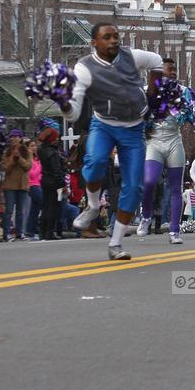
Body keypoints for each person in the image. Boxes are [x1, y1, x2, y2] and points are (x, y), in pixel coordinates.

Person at [58, 23, 163, 260]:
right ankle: (93, 206)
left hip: (134, 128)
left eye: (116, 36)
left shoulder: (131, 56)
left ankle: (116, 244)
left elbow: (157, 60)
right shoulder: (84, 68)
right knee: (94, 162)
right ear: (94, 43)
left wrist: (153, 91)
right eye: (107, 37)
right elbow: (73, 113)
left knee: (134, 186)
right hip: (104, 124)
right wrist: (64, 104)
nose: (114, 41)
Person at [138, 58, 188, 244]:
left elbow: (193, 112)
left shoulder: (183, 92)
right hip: (154, 142)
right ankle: (146, 217)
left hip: (174, 140)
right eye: (169, 69)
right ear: (159, 71)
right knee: (150, 181)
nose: (173, 72)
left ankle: (174, 231)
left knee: (176, 188)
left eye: (175, 69)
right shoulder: (147, 90)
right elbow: (138, 112)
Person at [0, 132, 33, 242]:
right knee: (8, 210)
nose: (13, 139)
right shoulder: (7, 152)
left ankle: (20, 233)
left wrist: (19, 158)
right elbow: (6, 169)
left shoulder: (27, 152)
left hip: (22, 185)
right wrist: (13, 159)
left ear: (20, 138)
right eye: (11, 137)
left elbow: (28, 167)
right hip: (10, 186)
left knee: (20, 211)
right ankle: (6, 233)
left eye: (16, 136)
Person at [37, 125, 65, 241]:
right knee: (53, 207)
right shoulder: (53, 153)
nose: (58, 139)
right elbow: (56, 170)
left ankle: (42, 232)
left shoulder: (42, 150)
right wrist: (62, 184)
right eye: (56, 137)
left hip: (44, 180)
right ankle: (49, 232)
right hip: (54, 181)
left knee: (45, 206)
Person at [25, 138, 43, 240]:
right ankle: (36, 228)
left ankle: (30, 230)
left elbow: (39, 175)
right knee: (43, 204)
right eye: (31, 146)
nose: (34, 148)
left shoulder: (36, 160)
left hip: (38, 185)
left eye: (35, 145)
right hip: (32, 186)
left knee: (34, 210)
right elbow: (32, 174)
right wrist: (40, 166)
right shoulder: (29, 160)